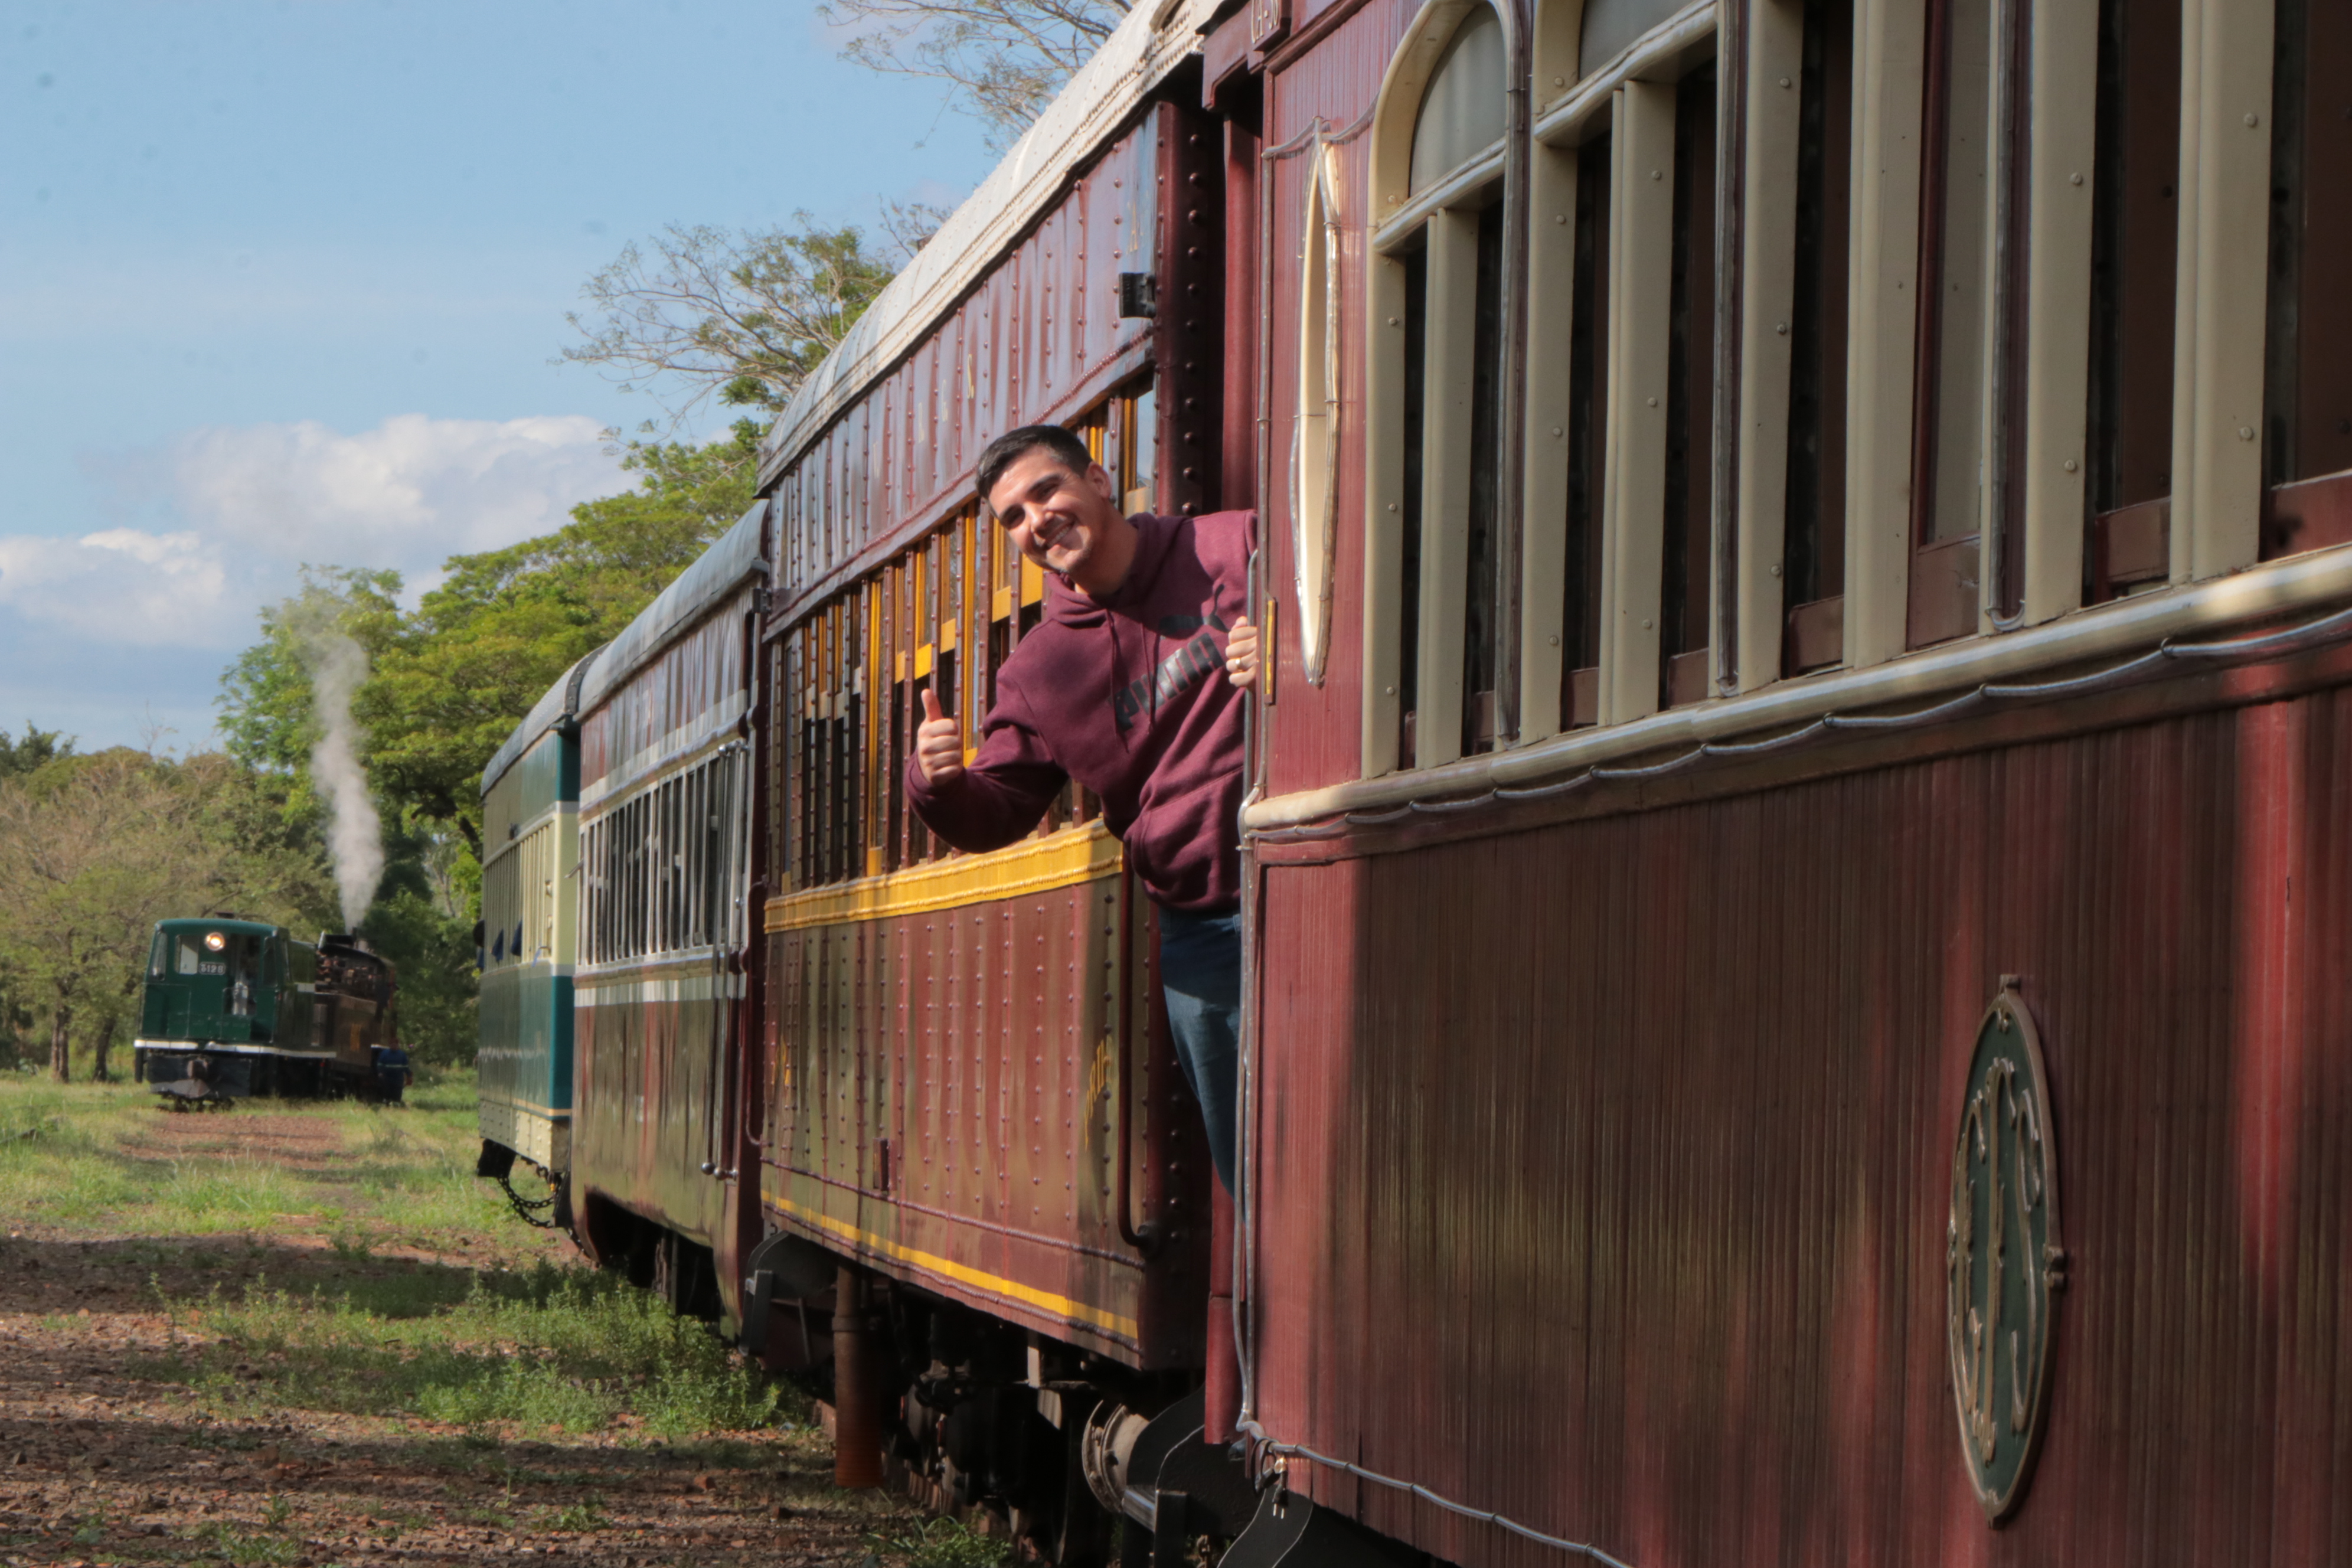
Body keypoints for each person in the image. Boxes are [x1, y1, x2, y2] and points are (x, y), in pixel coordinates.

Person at [908, 424, 1259, 1192]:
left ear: (1099, 482)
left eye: (1047, 491)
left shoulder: (1237, 547)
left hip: (1315, 867)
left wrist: (1293, 655)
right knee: (1258, 1176)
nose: (1037, 520)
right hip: (1207, 928)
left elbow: (1363, 620)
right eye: (1014, 517)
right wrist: (938, 783)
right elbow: (997, 808)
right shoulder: (1040, 669)